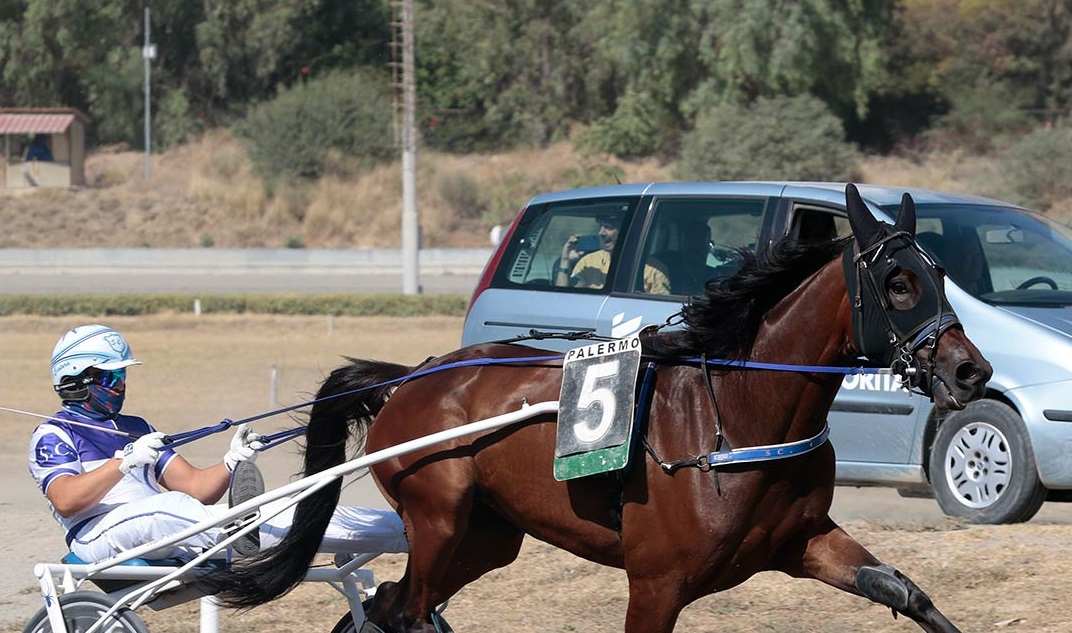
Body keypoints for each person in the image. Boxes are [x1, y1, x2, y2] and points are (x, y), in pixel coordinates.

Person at [29, 324, 408, 563]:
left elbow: (196, 489)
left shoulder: (136, 427)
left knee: (284, 505)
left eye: (122, 377)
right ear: (76, 380)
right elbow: (65, 499)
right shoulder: (54, 434)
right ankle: (239, 531)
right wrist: (123, 463)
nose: (121, 386)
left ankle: (405, 530)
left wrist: (231, 462)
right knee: (167, 508)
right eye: (112, 378)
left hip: (169, 526)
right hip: (97, 534)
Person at [555, 214, 670, 294]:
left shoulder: (654, 270)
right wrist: (565, 260)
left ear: (626, 232)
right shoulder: (589, 261)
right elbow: (563, 299)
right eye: (600, 227)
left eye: (608, 227)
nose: (601, 233)